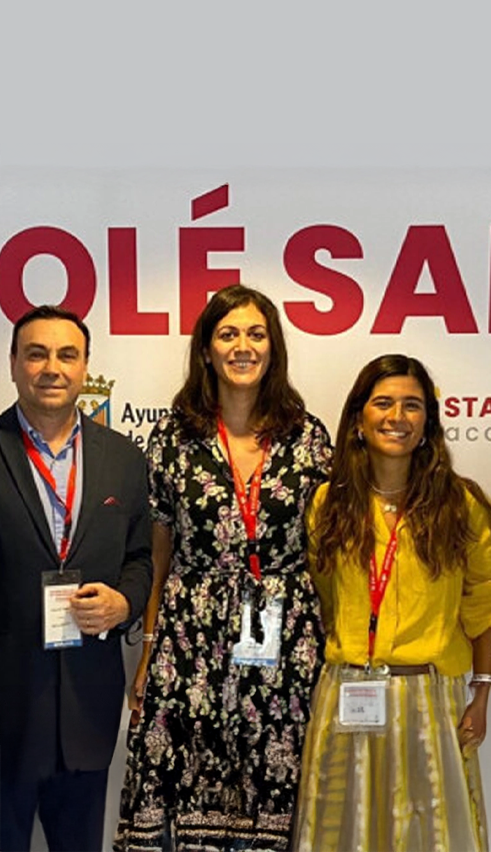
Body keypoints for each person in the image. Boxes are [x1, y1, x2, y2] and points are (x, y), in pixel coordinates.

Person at [114, 284, 332, 852]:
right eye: (228, 333)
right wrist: (149, 647)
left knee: (275, 783)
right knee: (181, 781)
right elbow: (160, 550)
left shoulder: (308, 438)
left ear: (273, 347)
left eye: (256, 334)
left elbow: (324, 551)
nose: (242, 346)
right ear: (206, 349)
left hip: (285, 637)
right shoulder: (173, 437)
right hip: (190, 636)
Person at [293, 354, 491, 852]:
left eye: (412, 405)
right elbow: (327, 600)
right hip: (346, 693)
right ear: (358, 419)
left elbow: (489, 604)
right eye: (383, 403)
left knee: (431, 838)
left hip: (430, 701)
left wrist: (481, 693)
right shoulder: (327, 504)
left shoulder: (461, 505)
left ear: (428, 424)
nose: (397, 416)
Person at [0, 305, 152, 852]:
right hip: (8, 703)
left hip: (87, 703)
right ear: (13, 363)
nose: (51, 367)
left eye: (67, 355)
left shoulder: (124, 458)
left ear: (85, 367)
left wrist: (124, 603)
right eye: (36, 353)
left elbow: (141, 558)